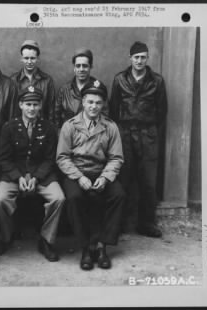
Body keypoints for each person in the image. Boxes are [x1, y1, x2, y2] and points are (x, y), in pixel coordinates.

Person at [57, 80, 125, 271]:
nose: (94, 106)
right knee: (75, 197)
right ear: (83, 102)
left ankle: (102, 246)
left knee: (117, 195)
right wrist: (79, 177)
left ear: (103, 104)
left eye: (98, 102)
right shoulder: (69, 126)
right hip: (77, 172)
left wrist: (105, 177)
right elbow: (62, 157)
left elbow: (116, 157)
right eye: (90, 102)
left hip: (101, 171)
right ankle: (86, 248)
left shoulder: (110, 126)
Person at [0, 86, 65, 262]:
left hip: (41, 175)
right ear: (20, 105)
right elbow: (4, 159)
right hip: (14, 174)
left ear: (40, 106)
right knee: (0, 199)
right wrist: (18, 177)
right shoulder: (9, 127)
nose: (32, 108)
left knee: (58, 198)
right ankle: (7, 236)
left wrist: (36, 177)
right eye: (28, 104)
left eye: (35, 104)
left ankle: (46, 240)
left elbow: (50, 159)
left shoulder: (49, 128)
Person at [109, 41, 167, 238]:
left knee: (149, 182)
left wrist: (149, 130)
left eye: (143, 57)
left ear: (147, 58)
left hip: (148, 135)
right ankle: (120, 222)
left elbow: (162, 111)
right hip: (125, 134)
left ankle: (147, 223)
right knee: (123, 179)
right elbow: (114, 108)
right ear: (130, 58)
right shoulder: (120, 79)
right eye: (136, 57)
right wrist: (122, 131)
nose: (140, 61)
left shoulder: (157, 81)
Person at [54, 48, 103, 128]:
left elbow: (105, 117)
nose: (81, 69)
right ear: (74, 68)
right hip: (69, 135)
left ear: (91, 66)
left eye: (85, 66)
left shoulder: (99, 89)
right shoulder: (64, 90)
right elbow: (56, 117)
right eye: (78, 66)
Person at [10, 40, 56, 122]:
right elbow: (11, 108)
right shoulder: (13, 80)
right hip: (19, 127)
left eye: (32, 58)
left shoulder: (47, 80)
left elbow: (51, 108)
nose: (29, 62)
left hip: (42, 126)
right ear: (21, 59)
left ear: (38, 58)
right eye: (26, 58)